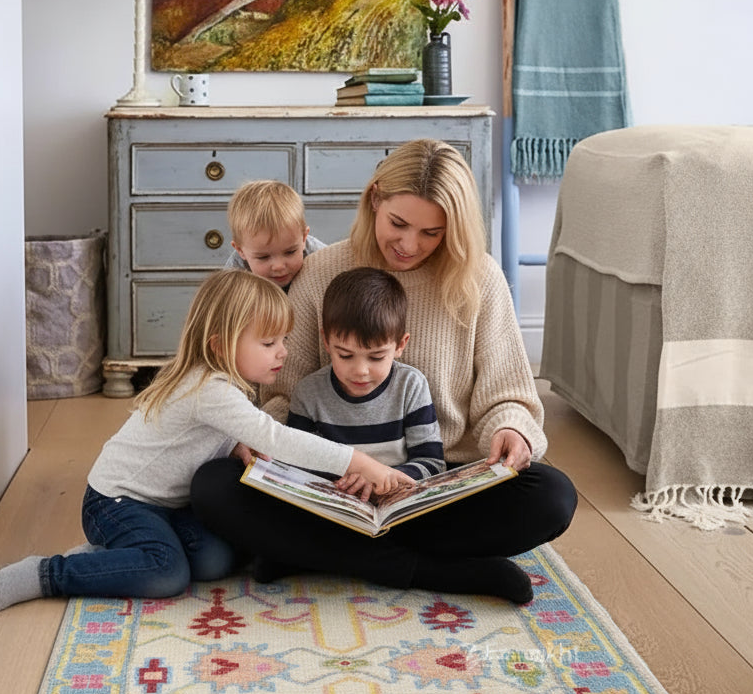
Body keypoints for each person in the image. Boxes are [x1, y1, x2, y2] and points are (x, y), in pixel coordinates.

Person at [190, 139, 577, 605]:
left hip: (434, 483)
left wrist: (512, 431)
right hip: (330, 485)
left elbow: (509, 396)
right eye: (398, 223)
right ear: (374, 199)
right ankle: (432, 570)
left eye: (432, 232)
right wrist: (267, 440)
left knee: (552, 496)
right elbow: (285, 395)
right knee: (213, 485)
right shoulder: (320, 272)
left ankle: (315, 554)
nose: (409, 245)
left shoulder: (481, 280)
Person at [0, 271, 409, 613]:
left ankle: (111, 555)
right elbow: (275, 437)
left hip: (165, 507)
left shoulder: (226, 385)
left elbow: (207, 436)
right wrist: (360, 463)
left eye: (282, 341)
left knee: (215, 562)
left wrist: (235, 446)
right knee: (166, 573)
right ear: (221, 345)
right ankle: (50, 573)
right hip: (116, 501)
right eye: (268, 343)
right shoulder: (209, 388)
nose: (282, 352)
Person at [287, 266, 445, 483]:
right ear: (326, 341)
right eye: (345, 355)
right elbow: (298, 462)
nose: (361, 371)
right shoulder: (308, 393)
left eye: (376, 357)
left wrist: (385, 479)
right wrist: (350, 479)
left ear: (400, 344)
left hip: (399, 499)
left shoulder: (410, 386)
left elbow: (432, 463)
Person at [222, 179, 327, 291]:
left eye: (290, 252)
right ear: (240, 250)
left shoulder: (321, 258)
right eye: (263, 257)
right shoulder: (235, 272)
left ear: (304, 238)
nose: (279, 266)